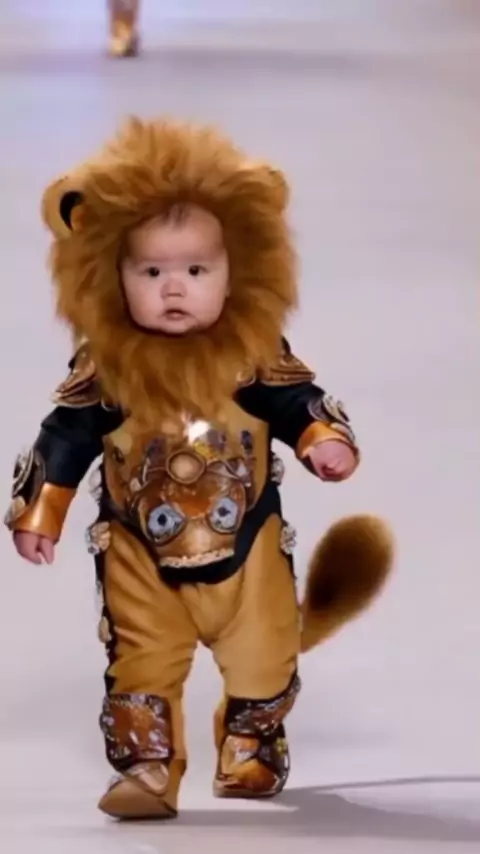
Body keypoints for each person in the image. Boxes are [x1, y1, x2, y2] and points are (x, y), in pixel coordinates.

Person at [5, 117, 393, 821]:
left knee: (265, 653)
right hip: (138, 554)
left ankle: (250, 738)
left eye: (196, 270)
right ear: (109, 275)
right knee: (139, 658)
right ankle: (148, 766)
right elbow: (63, 438)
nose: (173, 289)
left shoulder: (251, 357)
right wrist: (42, 512)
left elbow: (297, 401)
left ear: (238, 270)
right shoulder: (108, 371)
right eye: (150, 272)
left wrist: (321, 439)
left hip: (247, 549)